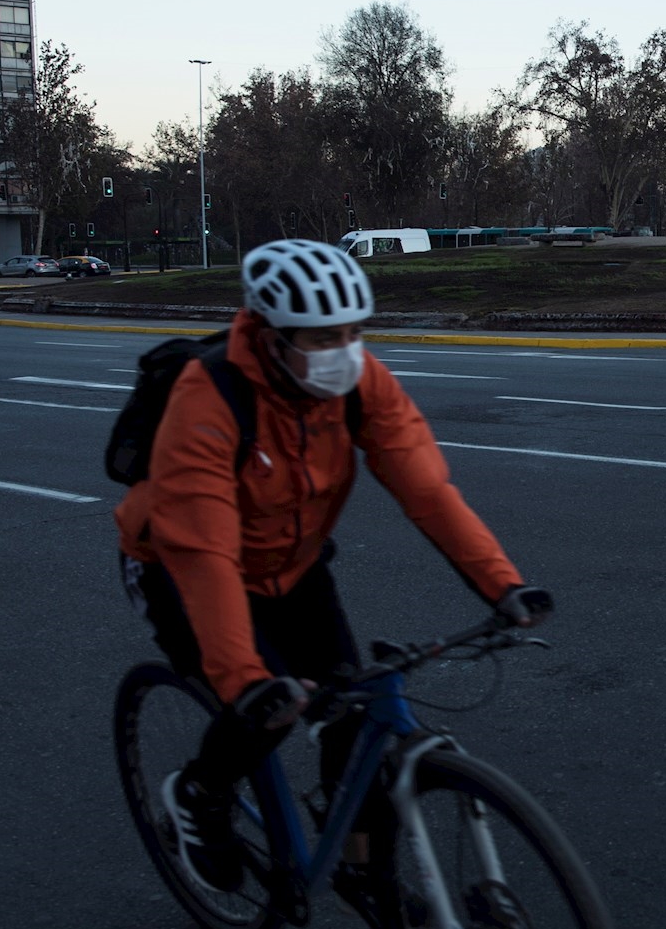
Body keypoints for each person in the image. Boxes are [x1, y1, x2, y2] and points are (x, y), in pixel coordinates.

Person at [116, 238, 550, 895]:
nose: (343, 351)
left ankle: (356, 866)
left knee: (353, 707)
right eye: (321, 338)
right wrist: (247, 679)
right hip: (180, 565)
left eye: (352, 332)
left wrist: (504, 585)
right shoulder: (209, 399)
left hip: (292, 565)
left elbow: (426, 489)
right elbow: (202, 550)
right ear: (267, 335)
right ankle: (200, 797)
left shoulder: (357, 380)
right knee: (267, 709)